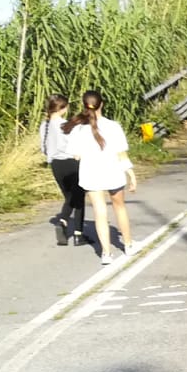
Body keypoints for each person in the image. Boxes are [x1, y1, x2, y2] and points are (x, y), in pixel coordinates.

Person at [64, 90, 137, 266]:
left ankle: (106, 253)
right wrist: (131, 175)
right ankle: (128, 244)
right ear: (101, 104)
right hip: (113, 172)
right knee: (119, 207)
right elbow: (121, 154)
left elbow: (75, 155)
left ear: (84, 105)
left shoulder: (78, 129)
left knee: (99, 212)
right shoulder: (113, 126)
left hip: (91, 174)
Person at [38, 94, 85, 246]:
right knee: (78, 198)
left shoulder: (44, 126)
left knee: (69, 197)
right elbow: (76, 147)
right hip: (70, 162)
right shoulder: (67, 125)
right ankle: (77, 233)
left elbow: (44, 148)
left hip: (56, 164)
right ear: (63, 108)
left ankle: (64, 223)